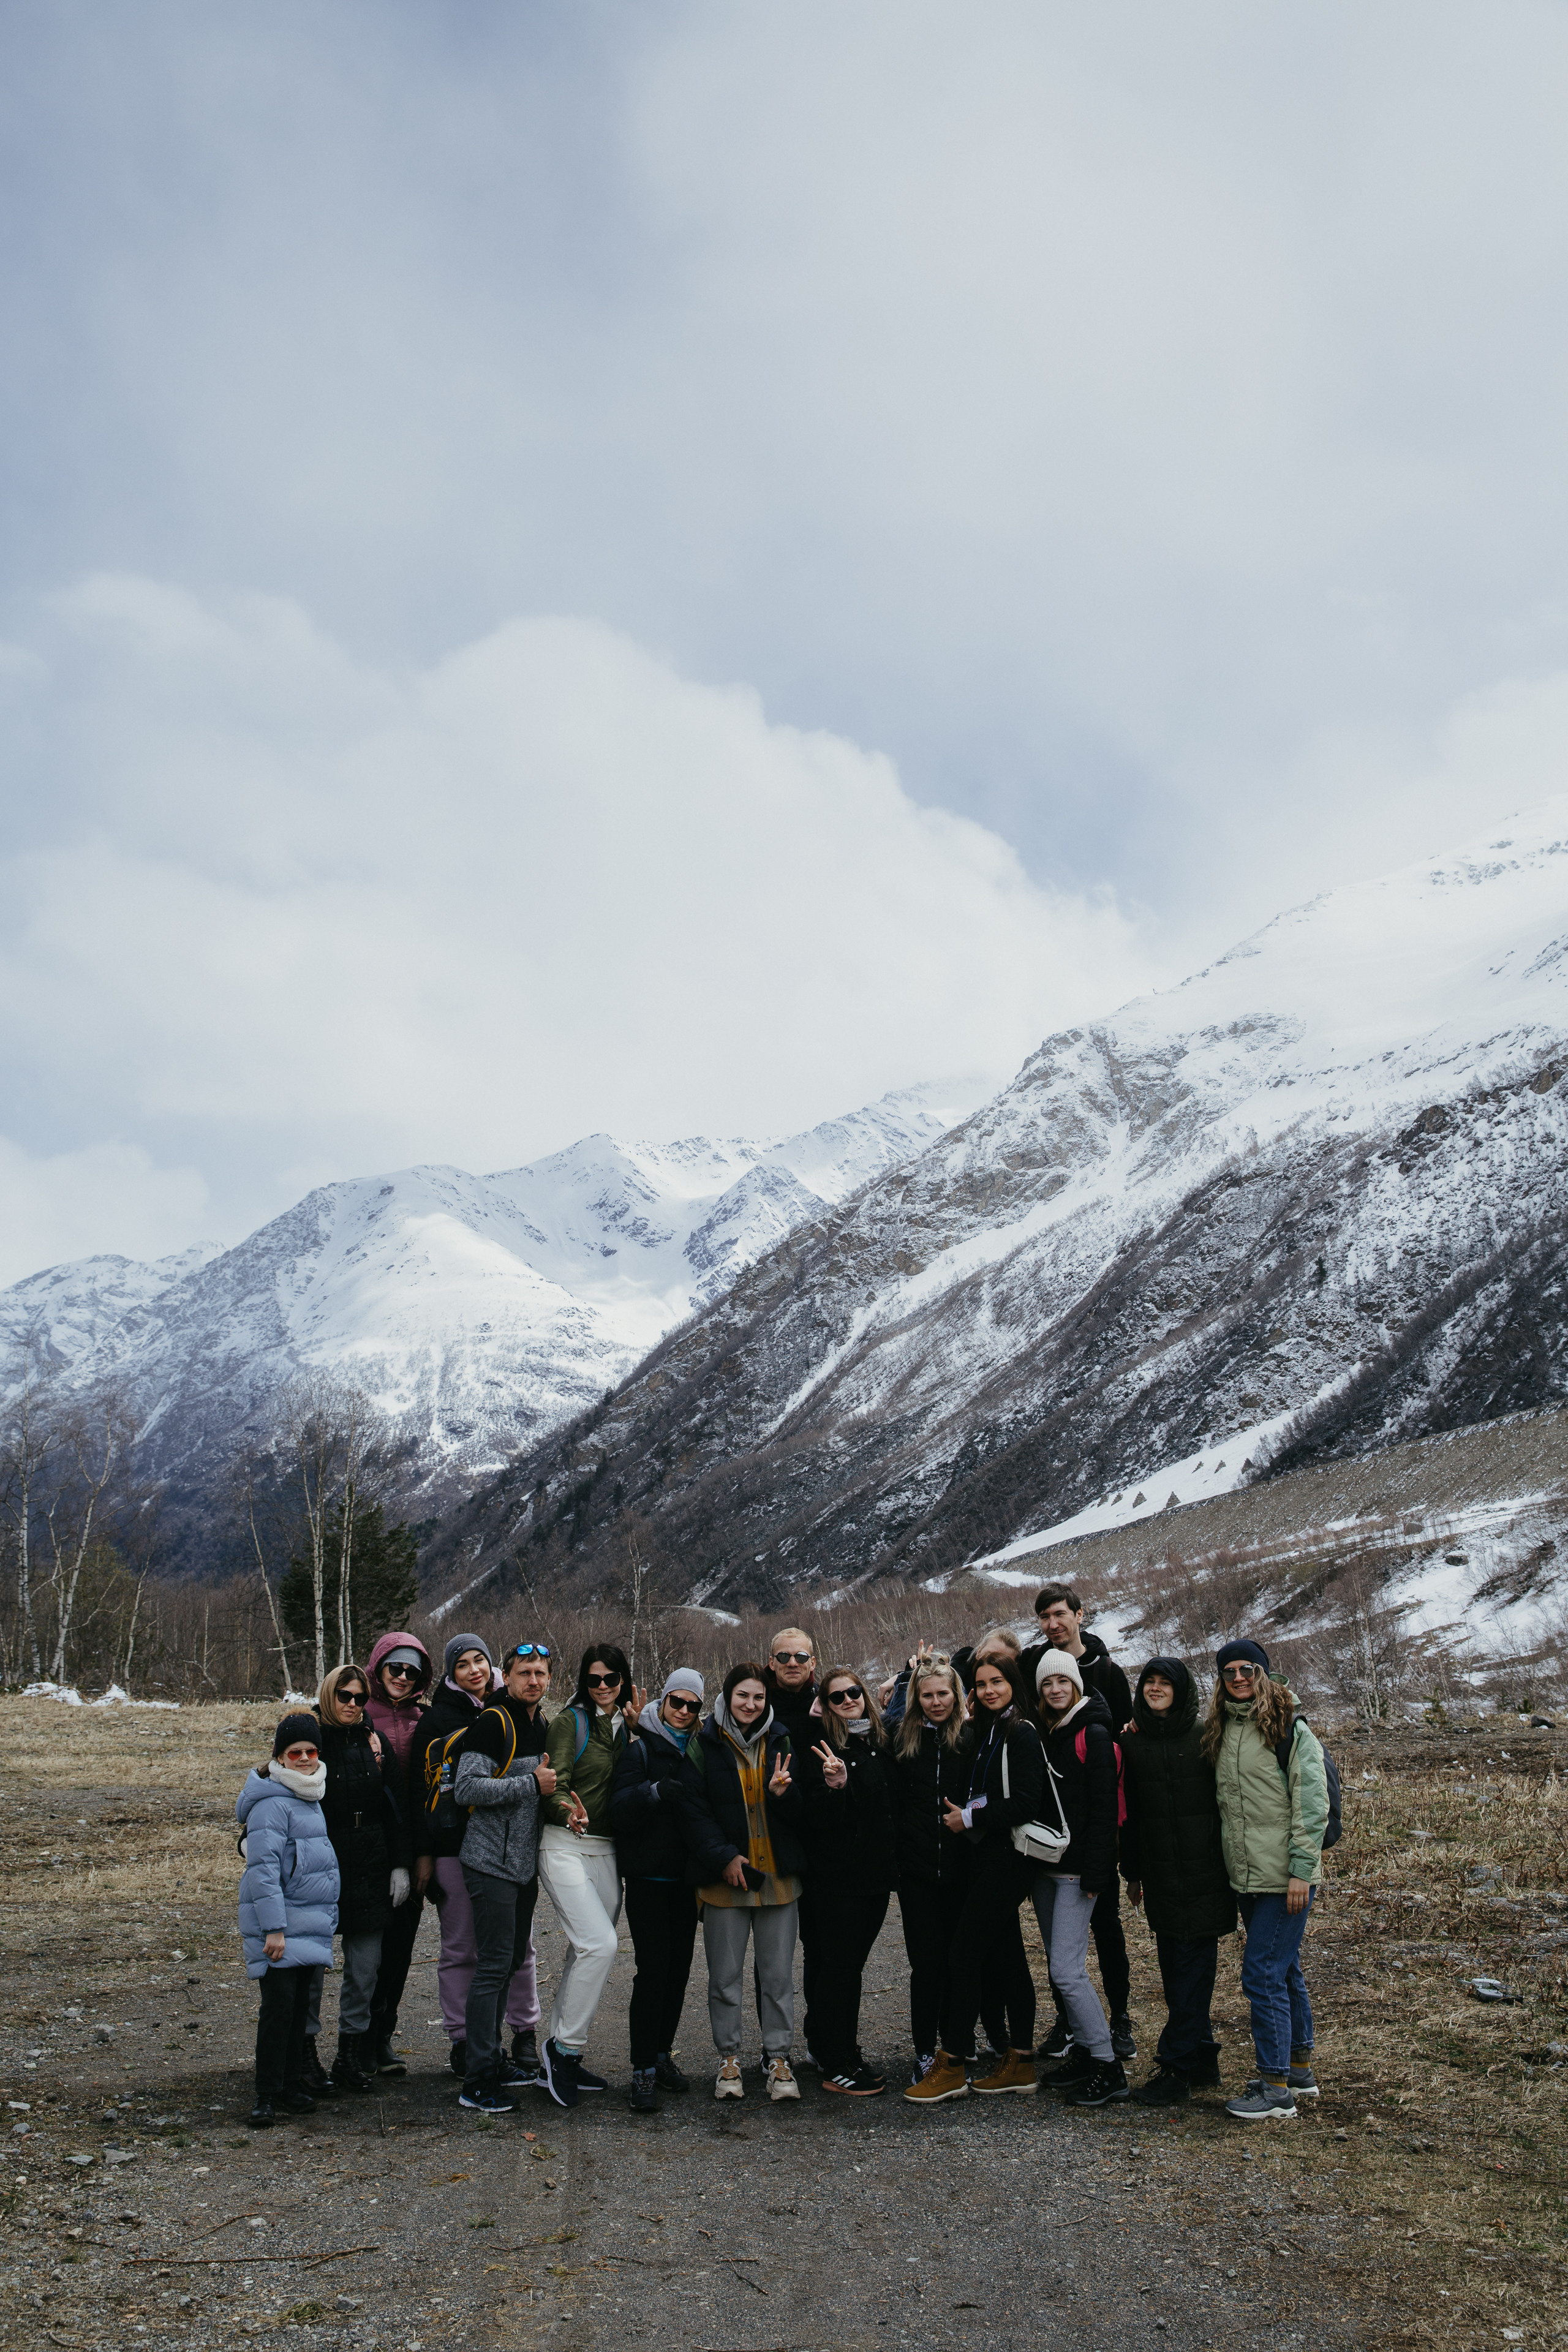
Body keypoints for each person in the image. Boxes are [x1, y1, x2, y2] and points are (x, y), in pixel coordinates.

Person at [905, 1654, 1041, 2103]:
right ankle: (1020, 2059)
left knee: (963, 1957)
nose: (988, 1691)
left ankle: (954, 2063)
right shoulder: (987, 1732)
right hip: (988, 1861)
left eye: (996, 1682)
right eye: (981, 1685)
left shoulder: (1019, 1732)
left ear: (1012, 1685)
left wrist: (970, 1815)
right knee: (1010, 1960)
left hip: (1007, 1861)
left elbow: (1023, 1802)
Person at [1203, 1638, 1329, 2122]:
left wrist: (1301, 1872)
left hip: (1284, 1878)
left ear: (1264, 1673)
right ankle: (1298, 2069)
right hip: (1248, 1877)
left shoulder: (1290, 1727)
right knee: (1284, 1967)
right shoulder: (1224, 1727)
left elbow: (1311, 1805)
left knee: (1262, 1973)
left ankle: (1275, 2087)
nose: (1238, 1678)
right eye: (1229, 1671)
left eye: (1247, 1669)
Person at [412, 1634, 545, 2082]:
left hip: (511, 1854)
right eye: (463, 1663)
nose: (474, 1669)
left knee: (511, 1952)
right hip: (459, 1846)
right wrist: (423, 1853)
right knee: (469, 1952)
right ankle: (469, 2048)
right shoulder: (448, 1719)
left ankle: (516, 2036)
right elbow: (431, 1789)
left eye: (480, 1661)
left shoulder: (527, 1715)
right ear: (450, 1672)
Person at [1023, 1583, 1136, 2063]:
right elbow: (984, 1669)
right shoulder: (1034, 1663)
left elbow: (1127, 1737)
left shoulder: (1107, 1670)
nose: (1053, 1623)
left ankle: (1120, 2020)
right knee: (1059, 1945)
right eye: (1045, 1616)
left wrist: (1118, 1847)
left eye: (1059, 1614)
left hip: (1095, 1826)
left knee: (1106, 1929)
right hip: (1056, 1837)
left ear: (1079, 1614)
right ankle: (1070, 2024)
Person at [683, 1661, 805, 2103]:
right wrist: (723, 1858)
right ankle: (729, 2058)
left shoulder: (783, 1739)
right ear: (727, 1698)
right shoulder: (706, 1743)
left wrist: (783, 1795)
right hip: (725, 1881)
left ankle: (777, 2058)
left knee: (777, 1977)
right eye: (742, 1697)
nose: (751, 1705)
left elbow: (803, 1811)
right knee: (725, 1978)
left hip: (776, 1880)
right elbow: (693, 1812)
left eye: (758, 1697)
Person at [1120, 1656, 1237, 2106]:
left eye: (1163, 1682)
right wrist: (1132, 1873)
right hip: (1163, 1876)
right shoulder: (1132, 1743)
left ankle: (1177, 2067)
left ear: (1181, 1689)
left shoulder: (1207, 1735)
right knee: (1177, 1972)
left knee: (1193, 1972)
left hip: (1207, 1874)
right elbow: (1128, 1819)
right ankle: (1203, 2057)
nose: (1154, 1688)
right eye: (1148, 1682)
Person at [451, 1638, 558, 2114]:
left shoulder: (541, 1724)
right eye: (523, 1673)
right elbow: (467, 1788)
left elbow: (544, 1793)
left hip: (520, 1865)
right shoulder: (494, 1722)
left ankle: (493, 2061)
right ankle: (477, 2079)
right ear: (506, 1677)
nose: (533, 1680)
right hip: (490, 1862)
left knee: (509, 1960)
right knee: (493, 1965)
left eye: (540, 1673)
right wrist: (529, 1783)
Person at [536, 1643, 638, 2106]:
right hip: (565, 1846)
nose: (602, 1687)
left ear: (623, 1681)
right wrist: (566, 1814)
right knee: (601, 1943)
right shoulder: (569, 1723)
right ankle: (566, 2052)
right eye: (593, 1679)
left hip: (607, 1851)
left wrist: (637, 1731)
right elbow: (553, 1783)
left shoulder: (627, 1727)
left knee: (584, 1952)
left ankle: (556, 2049)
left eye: (611, 1680)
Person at [609, 1667, 706, 2112]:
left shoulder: (703, 1751)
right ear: (663, 1701)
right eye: (677, 1702)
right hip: (649, 1880)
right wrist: (653, 1793)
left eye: (693, 1705)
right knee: (653, 1972)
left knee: (678, 1973)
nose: (684, 1712)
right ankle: (642, 2068)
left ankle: (663, 2055)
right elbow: (618, 1810)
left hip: (686, 1883)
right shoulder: (640, 1749)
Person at [237, 1713, 341, 2127]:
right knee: (278, 2010)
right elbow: (263, 1872)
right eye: (293, 1752)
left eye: (310, 1751)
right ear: (279, 1756)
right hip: (281, 1927)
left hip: (307, 1922)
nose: (303, 1759)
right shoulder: (272, 1804)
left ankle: (289, 2086)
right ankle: (265, 2094)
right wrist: (274, 1928)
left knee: (299, 2009)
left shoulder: (311, 1796)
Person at [1032, 1651, 1126, 2109]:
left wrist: (1097, 1871)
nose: (1054, 1690)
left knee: (1066, 1972)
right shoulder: (1048, 1732)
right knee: (1060, 1963)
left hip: (1075, 1873)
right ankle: (1089, 2053)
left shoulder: (1094, 1732)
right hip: (1046, 1867)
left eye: (1062, 1682)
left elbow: (1106, 1810)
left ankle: (1108, 2064)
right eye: (1047, 1684)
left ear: (1076, 1686)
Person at [312, 1665, 409, 2092]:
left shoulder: (376, 1742)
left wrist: (401, 1863)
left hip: (370, 1859)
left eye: (358, 1697)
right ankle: (303, 2056)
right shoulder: (309, 1739)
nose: (352, 1704)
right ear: (328, 1696)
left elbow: (395, 1806)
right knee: (311, 1965)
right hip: (320, 1860)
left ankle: (349, 2054)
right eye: (343, 1696)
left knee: (365, 1968)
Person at [799, 1663, 894, 2095]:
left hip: (873, 1877)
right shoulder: (819, 1747)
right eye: (836, 1696)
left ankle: (836, 2048)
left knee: (846, 1967)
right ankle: (836, 2060)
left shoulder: (879, 1740)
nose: (848, 1700)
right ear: (827, 1706)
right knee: (838, 1968)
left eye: (854, 1691)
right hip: (835, 1879)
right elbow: (815, 1818)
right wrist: (835, 1787)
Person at [890, 1657, 970, 2087]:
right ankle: (924, 2050)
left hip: (961, 1872)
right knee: (927, 1965)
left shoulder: (969, 1740)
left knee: (960, 1962)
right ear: (916, 1699)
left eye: (943, 1693)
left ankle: (956, 2045)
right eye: (928, 1695)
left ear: (956, 1696)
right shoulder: (903, 1742)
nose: (936, 1702)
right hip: (918, 1874)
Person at [362, 1631, 433, 2078]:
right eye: (396, 1668)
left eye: (412, 1671)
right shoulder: (354, 1711)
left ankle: (382, 2036)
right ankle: (358, 2040)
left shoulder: (424, 1720)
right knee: (366, 1950)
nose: (403, 1678)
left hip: (409, 1847)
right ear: (378, 1667)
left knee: (400, 1950)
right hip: (366, 1849)